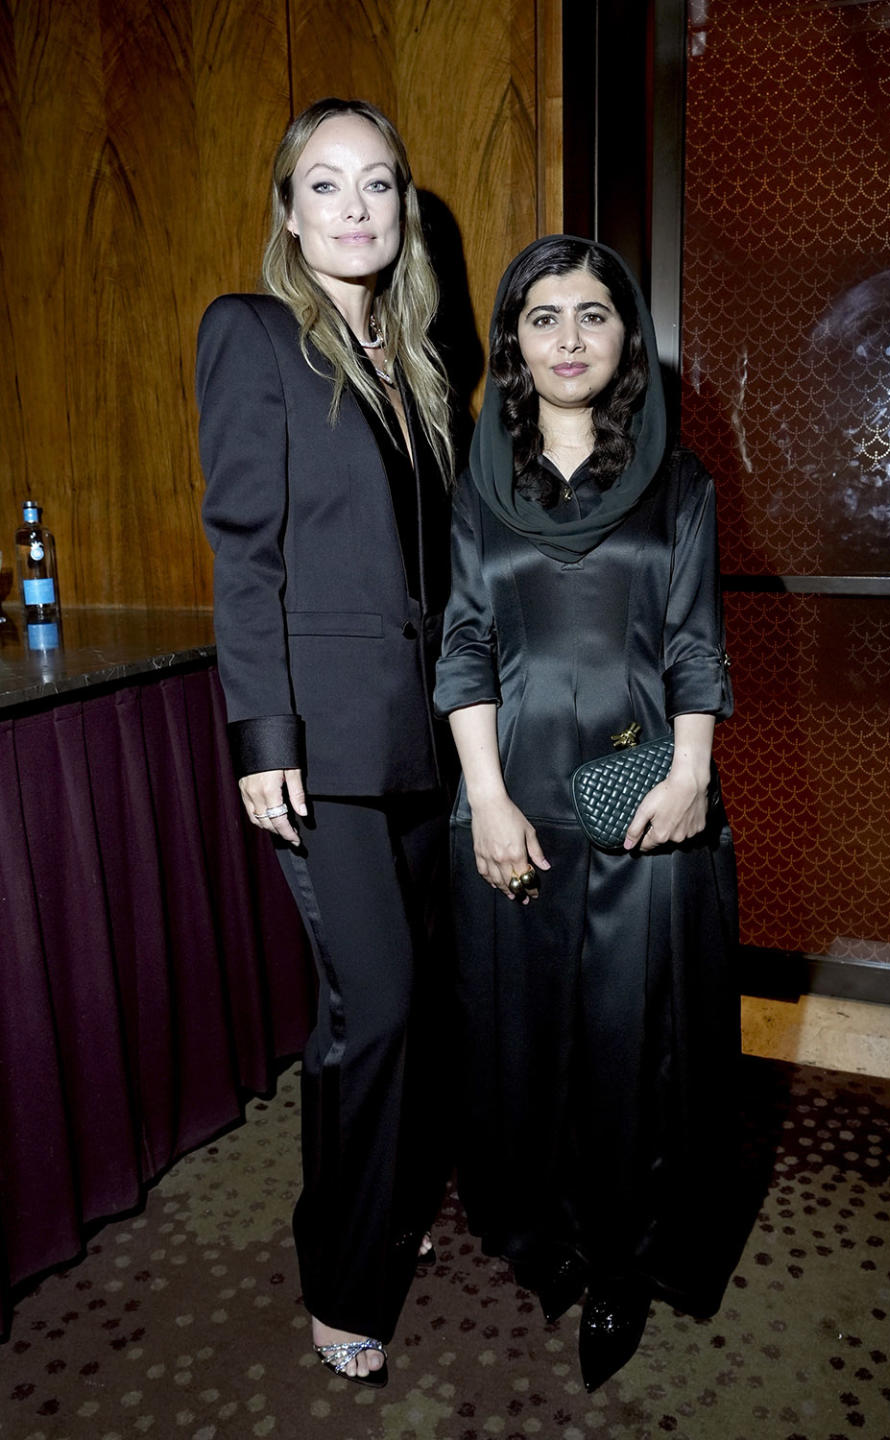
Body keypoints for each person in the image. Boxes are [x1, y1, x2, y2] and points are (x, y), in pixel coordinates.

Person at [434, 235, 741, 1392]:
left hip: (645, 795)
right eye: (543, 316)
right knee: (522, 1032)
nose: (569, 338)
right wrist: (485, 801)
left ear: (629, 338)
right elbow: (464, 640)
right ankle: (542, 1233)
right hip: (515, 796)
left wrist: (693, 779)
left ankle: (622, 1260)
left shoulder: (683, 482)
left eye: (594, 315)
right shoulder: (481, 482)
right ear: (513, 341)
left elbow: (699, 644)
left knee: (634, 1045)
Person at [196, 98, 454, 1387]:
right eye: (327, 185)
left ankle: (381, 1204)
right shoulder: (251, 335)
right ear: (288, 212)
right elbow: (246, 556)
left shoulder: (415, 363)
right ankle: (340, 1274)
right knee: (378, 1003)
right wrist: (261, 735)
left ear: (403, 209)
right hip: (319, 745)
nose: (357, 207)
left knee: (405, 1011)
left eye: (380, 185)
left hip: (418, 746)